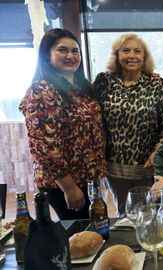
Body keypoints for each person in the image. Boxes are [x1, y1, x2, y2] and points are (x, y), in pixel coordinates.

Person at [19, 28, 107, 219]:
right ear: (47, 56)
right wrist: (69, 187)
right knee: (78, 237)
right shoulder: (42, 90)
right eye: (62, 50)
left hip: (88, 178)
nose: (70, 56)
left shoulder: (81, 88)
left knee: (96, 231)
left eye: (75, 51)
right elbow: (43, 146)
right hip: (64, 183)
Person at [93, 33, 163, 217]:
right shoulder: (104, 81)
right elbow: (94, 121)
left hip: (146, 166)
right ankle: (128, 246)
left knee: (149, 213)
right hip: (114, 166)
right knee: (124, 212)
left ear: (144, 57)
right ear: (117, 56)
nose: (132, 55)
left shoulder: (156, 84)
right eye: (126, 51)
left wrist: (157, 152)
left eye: (137, 51)